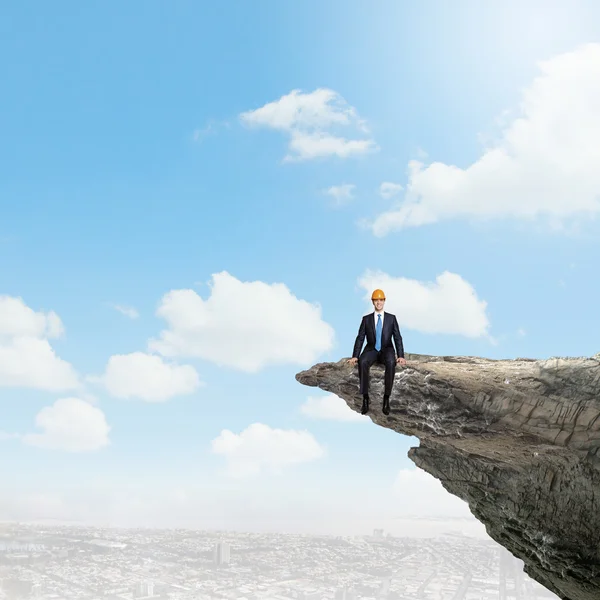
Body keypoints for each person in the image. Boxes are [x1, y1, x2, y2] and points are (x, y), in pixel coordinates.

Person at [347, 289, 406, 415]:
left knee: (391, 362)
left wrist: (400, 355)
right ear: (373, 302)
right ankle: (365, 398)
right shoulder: (366, 319)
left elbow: (397, 337)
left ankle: (386, 398)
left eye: (381, 300)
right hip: (371, 349)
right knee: (362, 362)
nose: (378, 302)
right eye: (376, 300)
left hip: (387, 349)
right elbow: (360, 338)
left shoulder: (391, 318)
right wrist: (355, 356)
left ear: (384, 301)